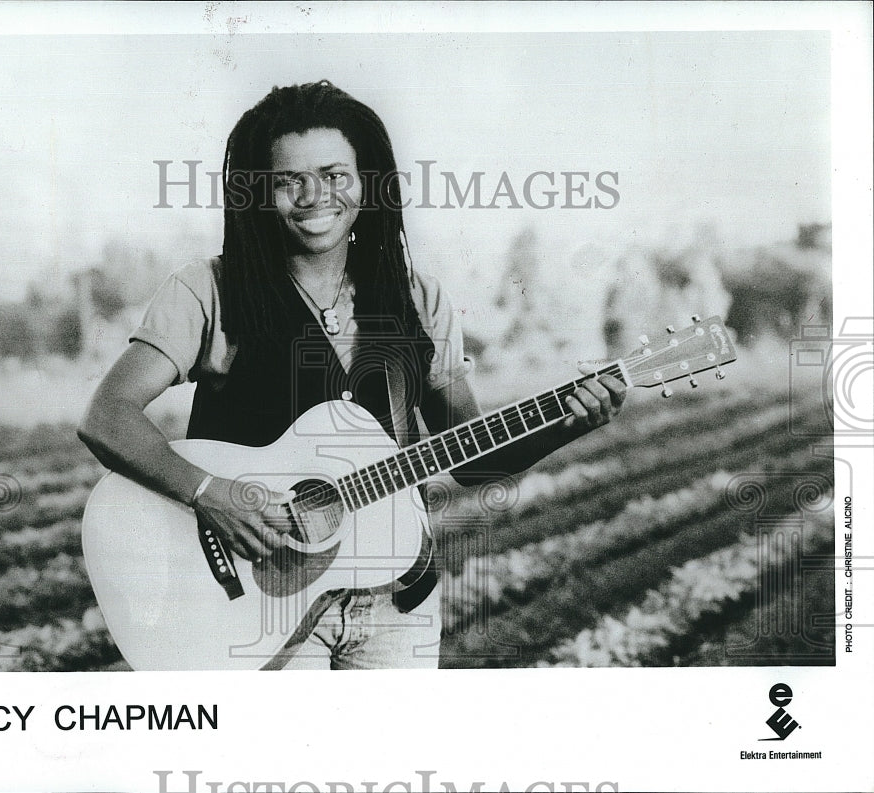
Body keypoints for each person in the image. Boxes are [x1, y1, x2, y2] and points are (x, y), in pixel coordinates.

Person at [78, 80, 626, 670]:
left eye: (336, 174)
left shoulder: (418, 298)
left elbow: (472, 457)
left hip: (398, 604)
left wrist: (567, 423)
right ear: (261, 194)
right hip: (265, 608)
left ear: (367, 183)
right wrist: (211, 494)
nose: (316, 196)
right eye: (291, 180)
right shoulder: (207, 290)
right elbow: (106, 417)